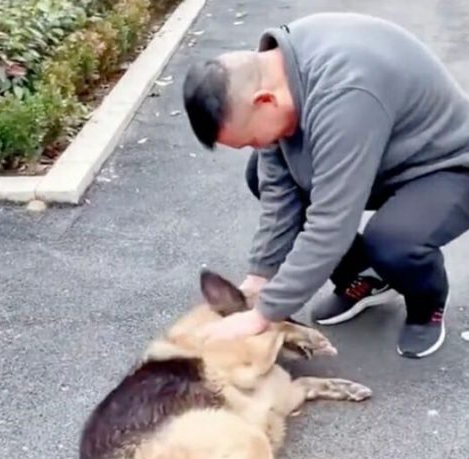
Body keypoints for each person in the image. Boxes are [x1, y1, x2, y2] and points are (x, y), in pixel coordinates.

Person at [181, 12, 469, 359]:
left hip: (446, 165)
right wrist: (261, 276)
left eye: (251, 139)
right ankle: (365, 277)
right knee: (260, 173)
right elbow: (279, 189)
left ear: (264, 101)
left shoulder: (346, 93)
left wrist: (261, 316)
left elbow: (331, 222)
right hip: (382, 156)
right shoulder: (277, 73)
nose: (257, 147)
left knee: (393, 241)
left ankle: (427, 309)